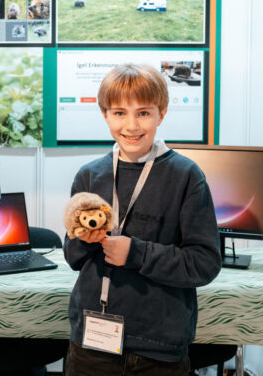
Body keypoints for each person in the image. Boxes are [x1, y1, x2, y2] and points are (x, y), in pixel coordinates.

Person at [63, 63, 221, 376]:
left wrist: (135, 253)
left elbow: (204, 262)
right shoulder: (89, 175)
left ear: (161, 113)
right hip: (92, 346)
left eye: (144, 113)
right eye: (119, 113)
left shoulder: (186, 177)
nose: (132, 125)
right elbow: (72, 255)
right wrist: (83, 240)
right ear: (105, 114)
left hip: (158, 347)